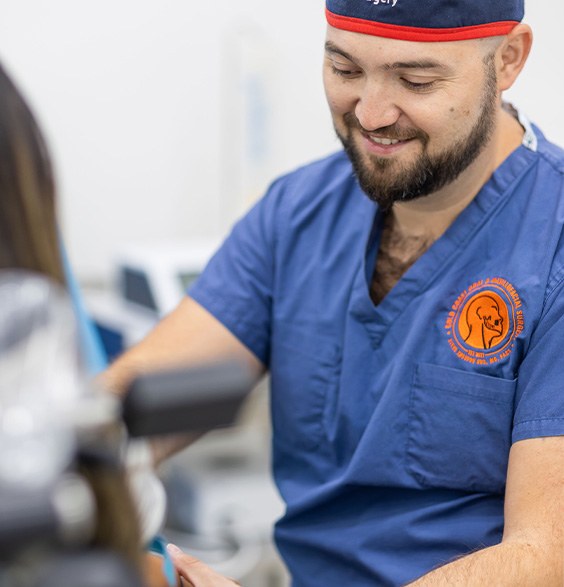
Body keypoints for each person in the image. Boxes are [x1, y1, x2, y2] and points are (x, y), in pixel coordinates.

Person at [103, 0, 564, 585]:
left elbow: (546, 556)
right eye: (344, 70)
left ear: (509, 58)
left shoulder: (552, 243)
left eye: (415, 80)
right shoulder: (298, 213)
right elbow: (136, 404)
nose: (370, 114)